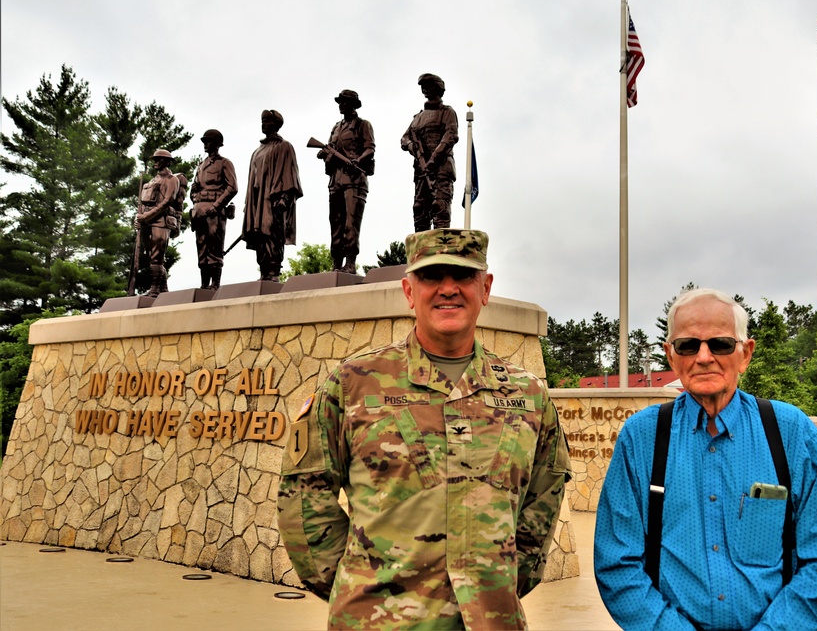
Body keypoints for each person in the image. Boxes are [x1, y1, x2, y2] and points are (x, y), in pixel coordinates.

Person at [278, 228, 571, 630]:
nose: (448, 289)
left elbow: (543, 503)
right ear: (409, 290)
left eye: (463, 276)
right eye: (432, 277)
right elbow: (303, 499)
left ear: (485, 288)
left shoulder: (529, 395)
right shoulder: (352, 384)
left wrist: (492, 586)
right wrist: (363, 587)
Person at [595, 288, 817, 631]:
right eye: (688, 345)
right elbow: (617, 564)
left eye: (720, 344)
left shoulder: (791, 433)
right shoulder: (641, 438)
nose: (703, 357)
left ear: (746, 353)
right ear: (671, 356)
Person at [316, 89, 375, 274]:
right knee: (336, 223)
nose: (341, 105)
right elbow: (330, 149)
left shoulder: (362, 125)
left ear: (352, 104)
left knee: (351, 223)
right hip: (336, 181)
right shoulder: (336, 127)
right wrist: (324, 153)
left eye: (344, 102)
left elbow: (370, 149)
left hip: (354, 180)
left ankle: (350, 263)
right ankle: (336, 263)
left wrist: (358, 160)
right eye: (339, 102)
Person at [243, 109, 303, 281]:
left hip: (274, 199)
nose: (264, 124)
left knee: (272, 232)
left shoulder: (283, 146)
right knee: (259, 233)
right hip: (257, 200)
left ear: (275, 125)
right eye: (262, 121)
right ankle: (263, 271)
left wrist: (285, 197)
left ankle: (273, 270)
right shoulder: (257, 150)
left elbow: (290, 173)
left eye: (267, 121)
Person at [400, 73, 458, 232]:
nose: (425, 89)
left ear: (439, 88)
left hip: (440, 169)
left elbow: (450, 136)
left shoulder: (447, 112)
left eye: (429, 85)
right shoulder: (418, 117)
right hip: (420, 170)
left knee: (439, 207)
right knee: (419, 209)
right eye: (422, 86)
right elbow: (404, 138)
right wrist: (411, 146)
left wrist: (433, 160)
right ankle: (421, 252)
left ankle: (439, 249)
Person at [190, 129, 238, 290]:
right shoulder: (200, 166)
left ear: (218, 144)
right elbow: (193, 192)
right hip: (199, 211)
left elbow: (232, 188)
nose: (205, 144)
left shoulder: (224, 163)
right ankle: (204, 284)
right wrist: (194, 193)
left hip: (215, 212)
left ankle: (215, 284)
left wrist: (216, 206)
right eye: (204, 141)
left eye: (208, 141)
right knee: (201, 247)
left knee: (214, 248)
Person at [135, 148, 182, 298]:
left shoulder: (172, 179)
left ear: (167, 161)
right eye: (154, 159)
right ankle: (163, 288)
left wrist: (146, 216)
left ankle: (154, 289)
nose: (155, 162)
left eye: (159, 159)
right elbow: (142, 203)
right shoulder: (152, 181)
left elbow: (167, 202)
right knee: (151, 256)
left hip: (161, 221)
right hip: (148, 222)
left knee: (157, 256)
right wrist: (139, 218)